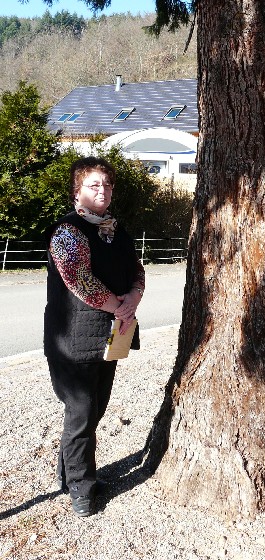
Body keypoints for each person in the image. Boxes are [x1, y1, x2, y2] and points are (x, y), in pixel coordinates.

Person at [44, 156, 145, 518]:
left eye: (106, 184)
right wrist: (120, 305)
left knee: (93, 410)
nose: (102, 190)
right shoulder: (68, 233)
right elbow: (79, 280)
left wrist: (134, 295)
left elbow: (136, 268)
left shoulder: (117, 231)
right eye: (93, 184)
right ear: (77, 191)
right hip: (72, 339)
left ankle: (69, 476)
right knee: (82, 412)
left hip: (111, 334)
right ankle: (83, 492)